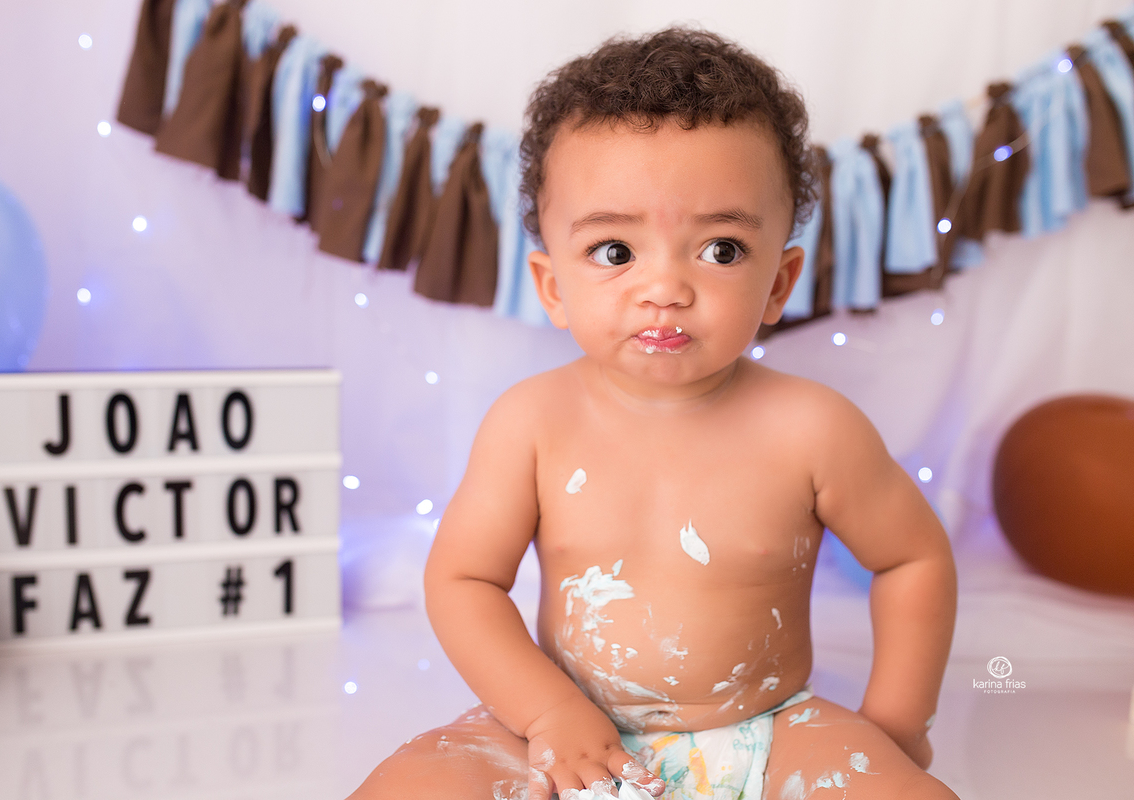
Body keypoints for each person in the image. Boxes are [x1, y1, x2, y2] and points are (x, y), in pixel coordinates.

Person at [349, 28, 959, 800]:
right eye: (615, 252)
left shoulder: (813, 429)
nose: (665, 287)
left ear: (780, 282)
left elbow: (911, 558)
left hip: (767, 730)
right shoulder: (531, 423)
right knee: (400, 790)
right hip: (569, 731)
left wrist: (897, 724)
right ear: (552, 285)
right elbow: (464, 579)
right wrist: (546, 711)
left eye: (722, 250)